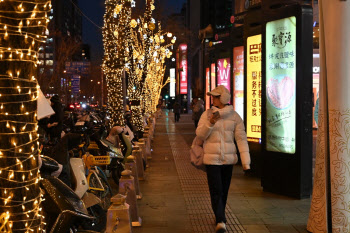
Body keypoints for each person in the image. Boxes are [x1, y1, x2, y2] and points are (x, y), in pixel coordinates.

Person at [196, 85, 251, 233]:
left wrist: (245, 161)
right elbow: (200, 135)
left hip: (228, 160)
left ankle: (219, 214)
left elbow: (241, 139)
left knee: (224, 190)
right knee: (216, 189)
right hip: (211, 160)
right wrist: (210, 123)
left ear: (223, 98)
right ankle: (221, 219)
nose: (212, 99)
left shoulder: (235, 117)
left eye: (215, 96)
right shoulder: (207, 115)